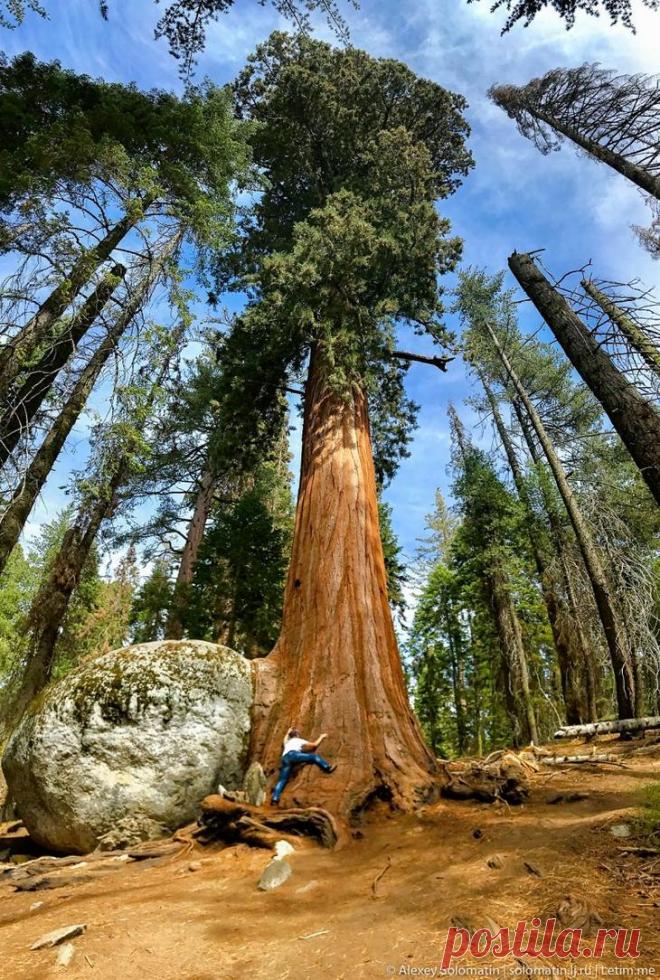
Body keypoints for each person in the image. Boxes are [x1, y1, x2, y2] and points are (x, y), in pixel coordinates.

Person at [271, 726, 336, 806]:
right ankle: (327, 767)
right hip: (293, 755)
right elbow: (314, 745)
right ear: (297, 735)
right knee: (314, 757)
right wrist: (321, 737)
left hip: (285, 758)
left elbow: (285, 738)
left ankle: (275, 799)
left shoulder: (287, 742)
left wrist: (288, 732)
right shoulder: (298, 740)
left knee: (282, 780)